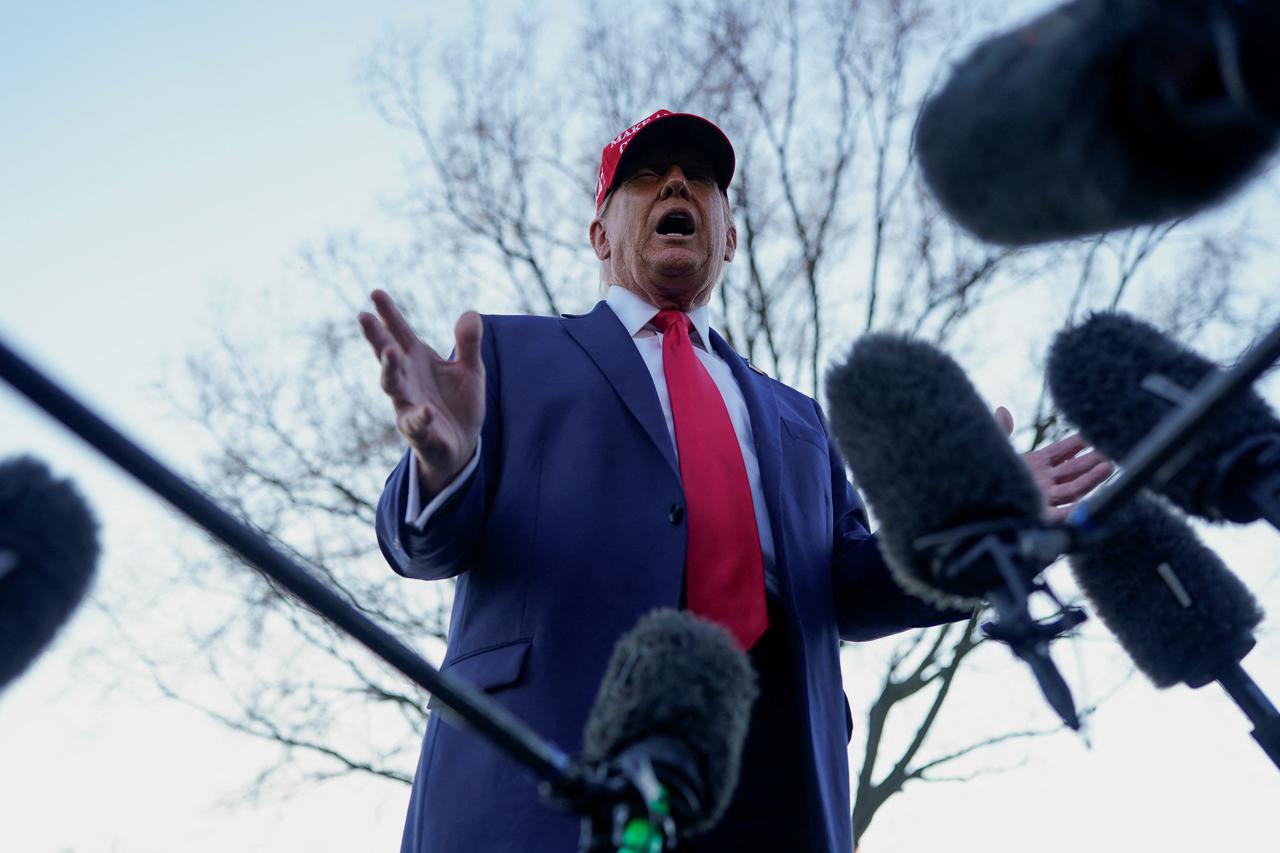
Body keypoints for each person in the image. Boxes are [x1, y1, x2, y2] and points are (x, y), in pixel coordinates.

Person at [358, 109, 1112, 853]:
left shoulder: (801, 421)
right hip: (546, 777)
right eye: (646, 175)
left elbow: (851, 588)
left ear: (729, 236)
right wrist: (442, 465)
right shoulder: (506, 357)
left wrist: (980, 523)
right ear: (599, 234)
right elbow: (420, 543)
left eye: (702, 179)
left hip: (775, 794)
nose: (677, 182)